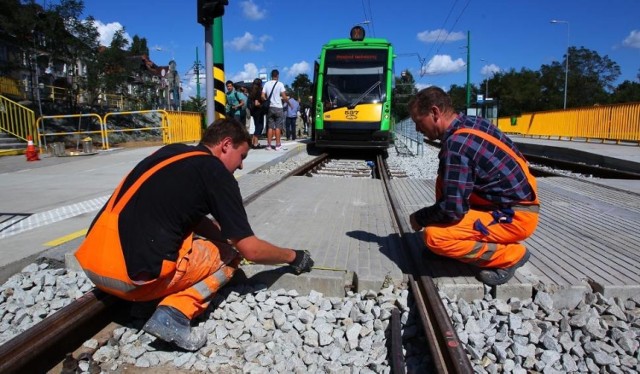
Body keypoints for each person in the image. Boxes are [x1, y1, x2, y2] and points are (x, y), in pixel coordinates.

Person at [74, 118, 314, 351]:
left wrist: (223, 234)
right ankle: (175, 313)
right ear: (226, 144)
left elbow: (191, 216)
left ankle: (150, 299)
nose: (241, 165)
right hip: (132, 282)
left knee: (198, 239)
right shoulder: (216, 173)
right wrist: (293, 256)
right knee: (231, 254)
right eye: (242, 156)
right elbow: (249, 249)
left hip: (94, 264)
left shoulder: (171, 153)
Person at [407, 87, 539, 286]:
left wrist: (420, 217)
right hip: (510, 203)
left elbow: (452, 210)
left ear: (435, 113)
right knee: (446, 179)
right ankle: (454, 246)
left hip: (514, 217)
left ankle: (512, 255)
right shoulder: (473, 123)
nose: (418, 129)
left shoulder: (456, 147)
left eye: (418, 122)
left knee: (435, 237)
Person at [261, 69, 289, 151]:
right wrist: (289, 103)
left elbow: (262, 96)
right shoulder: (280, 84)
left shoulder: (266, 84)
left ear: (271, 75)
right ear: (277, 75)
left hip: (270, 107)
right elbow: (284, 96)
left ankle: (269, 145)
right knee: (278, 127)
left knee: (270, 127)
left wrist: (267, 100)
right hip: (278, 107)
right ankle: (277, 145)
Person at [248, 78, 265, 149]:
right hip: (259, 111)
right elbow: (256, 103)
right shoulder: (259, 92)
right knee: (259, 127)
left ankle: (253, 142)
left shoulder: (251, 91)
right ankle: (256, 143)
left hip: (253, 112)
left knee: (256, 126)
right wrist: (262, 106)